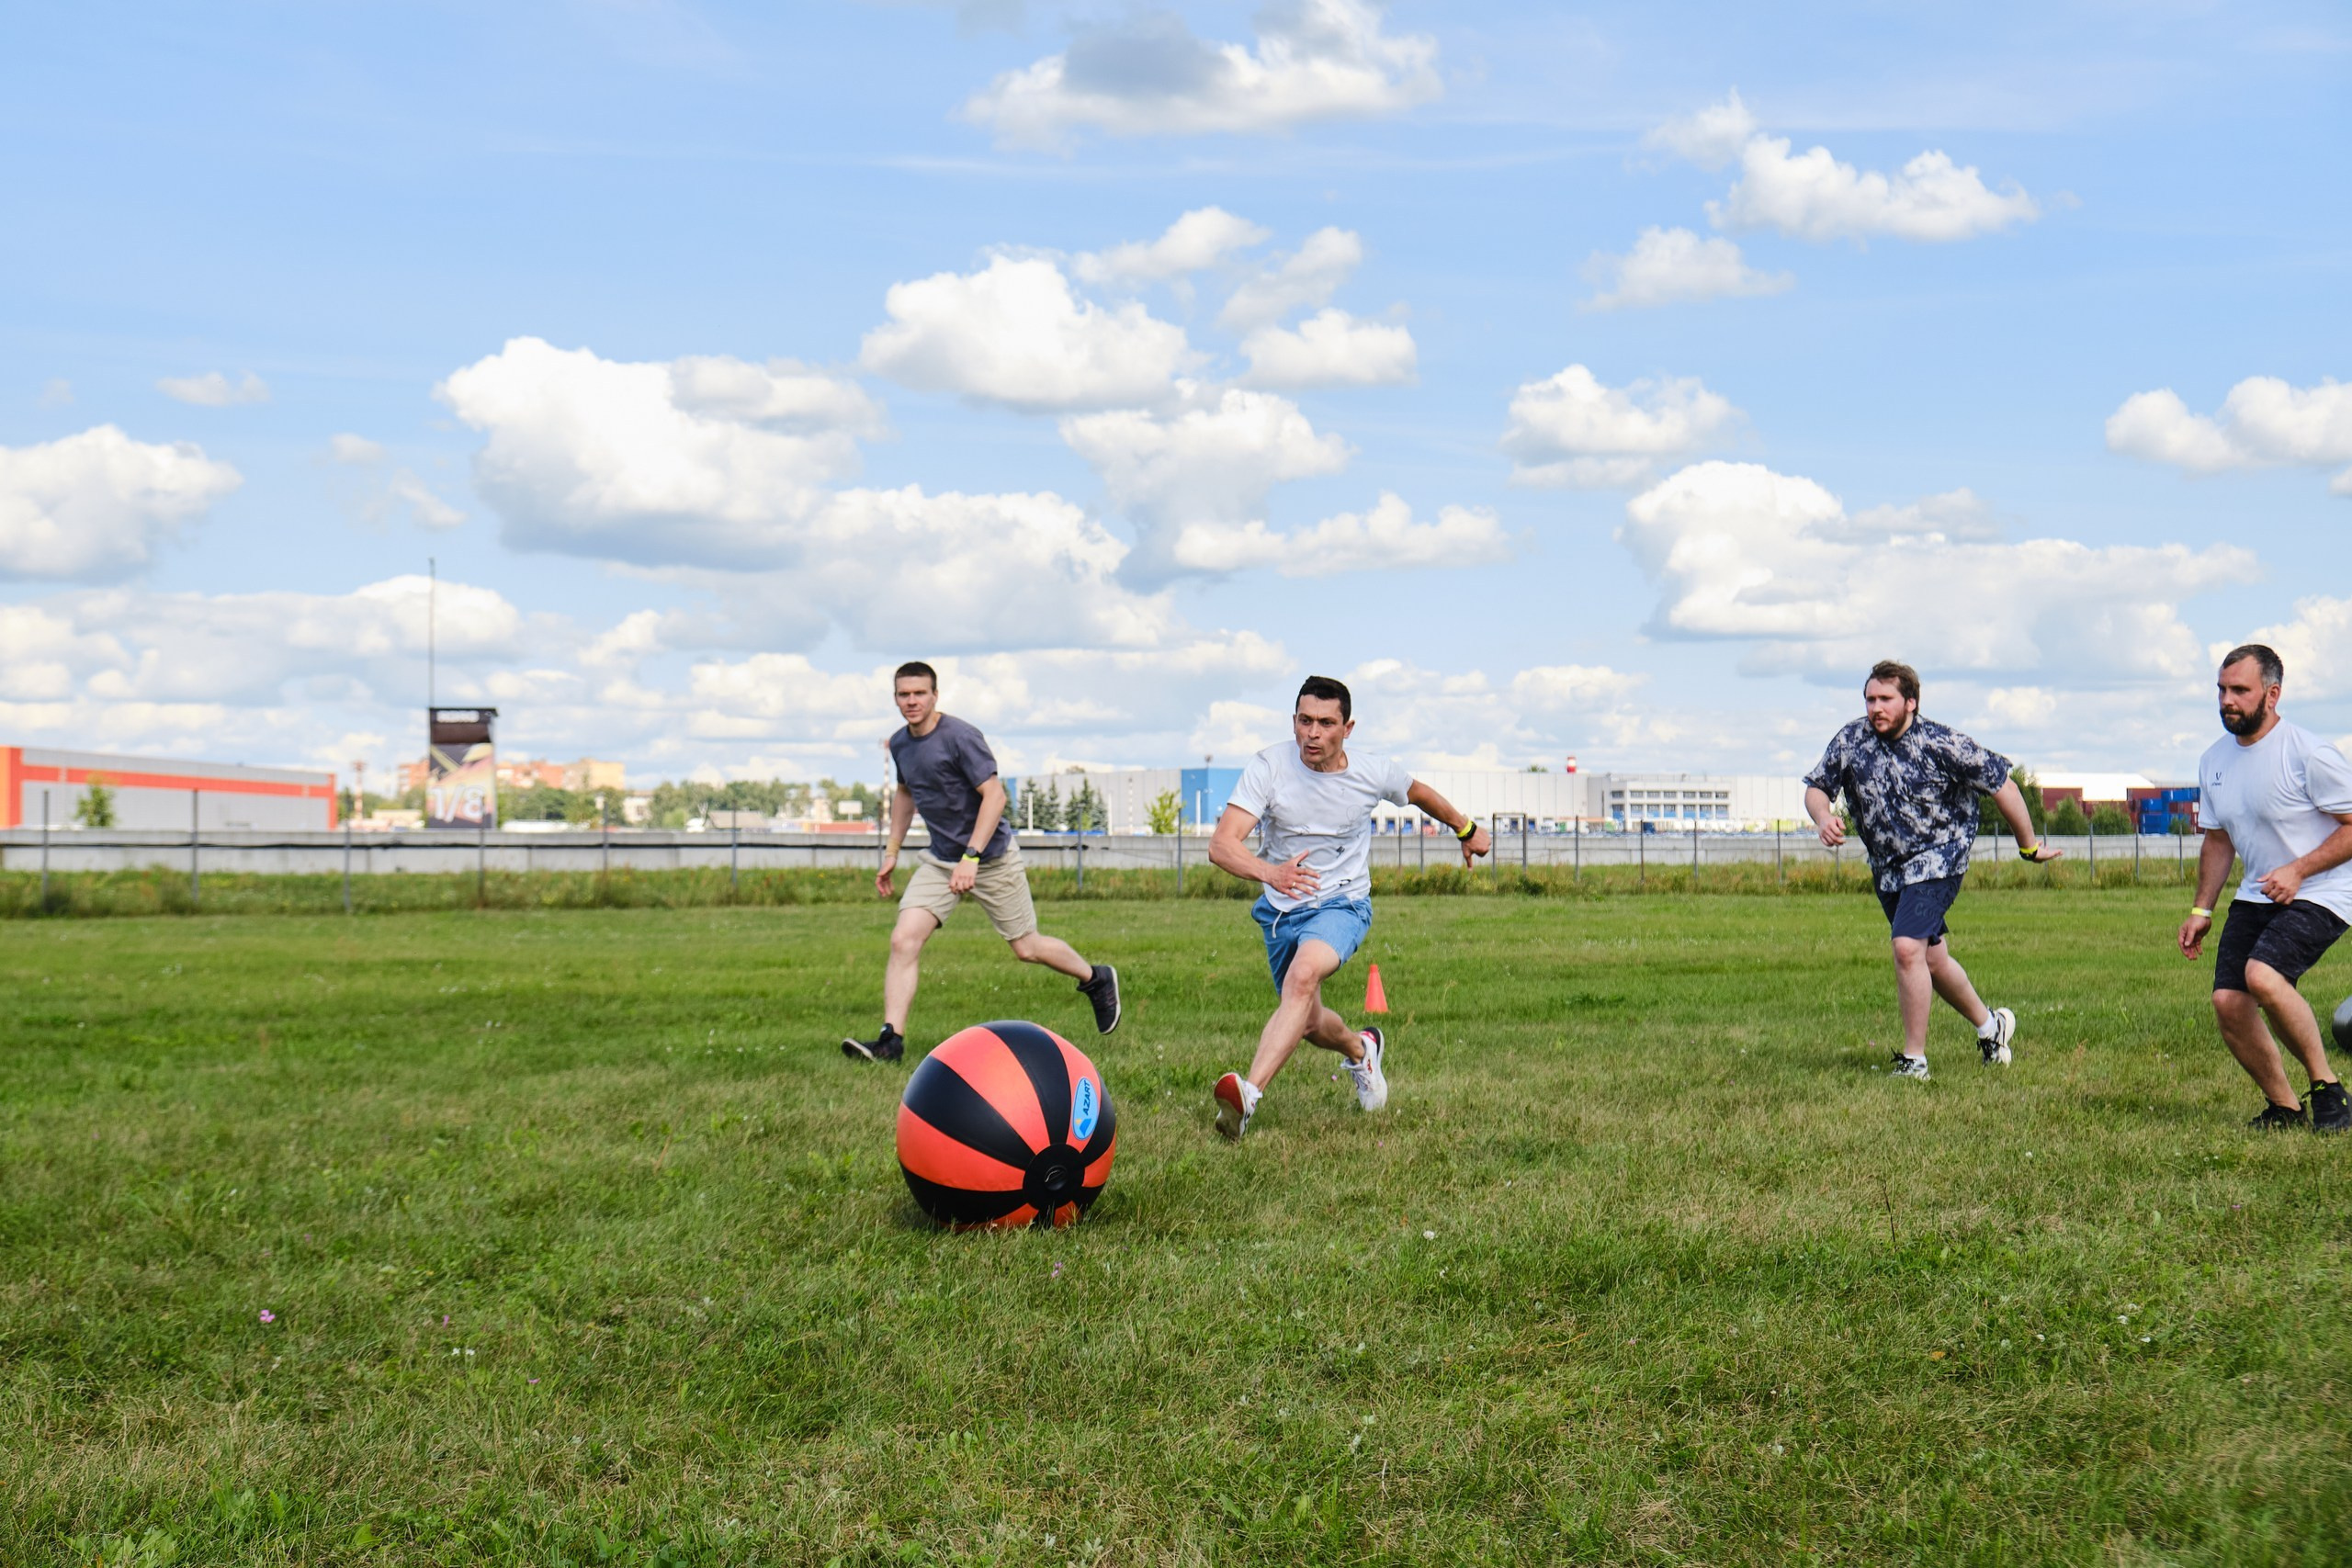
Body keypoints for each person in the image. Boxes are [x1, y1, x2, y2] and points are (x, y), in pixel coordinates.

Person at [1204, 675, 1490, 1140]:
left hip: (1342, 903)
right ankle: (1362, 1050)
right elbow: (1221, 846)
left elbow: (1418, 793)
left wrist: (1465, 828)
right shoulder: (1269, 767)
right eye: (1304, 721)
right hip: (1281, 911)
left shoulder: (1372, 771)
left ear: (1347, 727)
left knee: (1302, 978)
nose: (1312, 734)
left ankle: (1247, 1096)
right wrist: (1271, 873)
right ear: (1293, 721)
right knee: (1309, 1021)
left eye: (1325, 723)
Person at [841, 662, 1120, 1062]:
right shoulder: (900, 744)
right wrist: (891, 853)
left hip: (990, 858)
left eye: (920, 693)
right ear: (895, 698)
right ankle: (891, 1042)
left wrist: (971, 857)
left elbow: (995, 796)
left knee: (1026, 947)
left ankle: (1095, 979)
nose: (912, 701)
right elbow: (906, 794)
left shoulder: (960, 737)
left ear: (935, 695)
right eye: (904, 694)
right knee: (903, 939)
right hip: (940, 860)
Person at [1804, 659, 2060, 1081]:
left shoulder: (1944, 743)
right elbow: (1817, 788)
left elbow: (2004, 786)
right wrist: (1821, 816)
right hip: (1889, 868)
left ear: (1911, 703)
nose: (1875, 708)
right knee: (1932, 960)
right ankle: (1990, 1027)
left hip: (1940, 858)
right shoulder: (1852, 740)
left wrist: (2029, 847)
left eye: (1885, 699)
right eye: (1869, 699)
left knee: (1907, 948)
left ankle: (1914, 1061)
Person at [2178, 644, 2352, 1132]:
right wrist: (2201, 909)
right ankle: (2285, 1107)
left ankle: (2329, 1093)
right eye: (2221, 689)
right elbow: (2217, 840)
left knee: (2264, 976)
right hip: (2258, 893)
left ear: (2272, 694)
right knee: (2228, 1002)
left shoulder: (2309, 753)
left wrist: (2298, 870)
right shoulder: (2213, 760)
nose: (2226, 700)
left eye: (2239, 690)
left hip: (2324, 890)